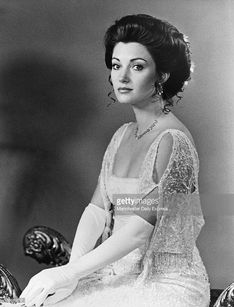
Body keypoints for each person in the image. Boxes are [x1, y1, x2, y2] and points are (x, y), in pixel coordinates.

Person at [20, 14, 211, 307]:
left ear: (162, 75)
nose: (121, 77)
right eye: (116, 65)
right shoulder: (122, 135)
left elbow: (138, 231)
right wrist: (70, 274)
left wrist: (71, 272)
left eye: (137, 66)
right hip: (114, 275)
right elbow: (97, 210)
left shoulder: (173, 141)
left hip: (166, 284)